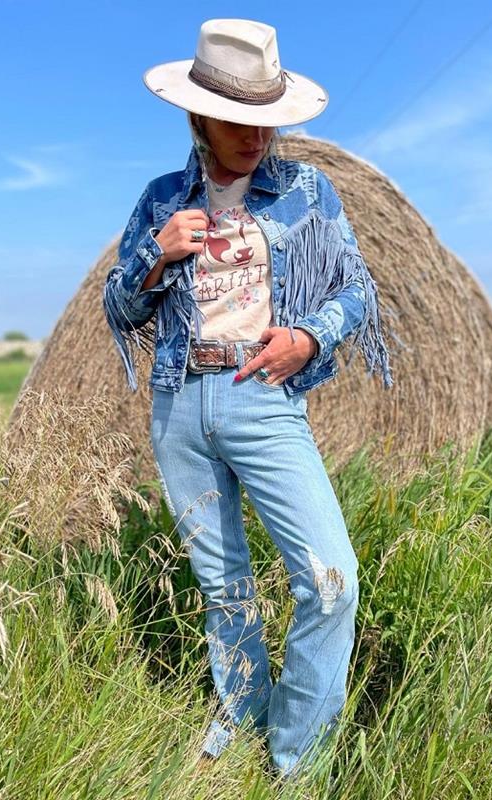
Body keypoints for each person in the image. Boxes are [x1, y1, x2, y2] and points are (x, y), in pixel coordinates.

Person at [102, 18, 393, 780]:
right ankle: (240, 715)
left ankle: (296, 760)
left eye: (266, 120)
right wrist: (155, 255)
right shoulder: (161, 199)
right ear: (198, 115)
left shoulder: (305, 191)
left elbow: (357, 291)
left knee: (330, 581)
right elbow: (119, 311)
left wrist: (307, 338)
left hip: (262, 396)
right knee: (223, 588)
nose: (256, 137)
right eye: (237, 120)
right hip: (177, 405)